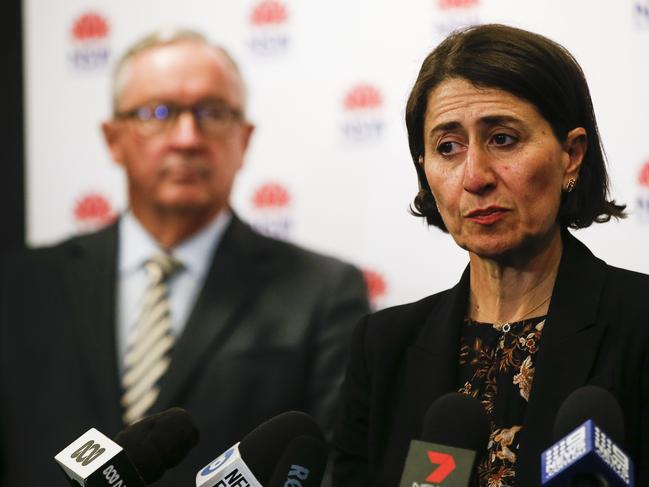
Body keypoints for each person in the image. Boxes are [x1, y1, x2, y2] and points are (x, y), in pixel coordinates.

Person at [0, 29, 369, 486]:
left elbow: (339, 466)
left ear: (244, 138)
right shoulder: (20, 286)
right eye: (158, 113)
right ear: (113, 138)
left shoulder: (322, 291)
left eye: (213, 113)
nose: (187, 138)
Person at [332, 24, 649, 487]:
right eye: (448, 147)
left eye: (502, 139)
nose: (475, 175)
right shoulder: (384, 347)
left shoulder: (639, 322)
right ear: (425, 171)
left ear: (571, 155)